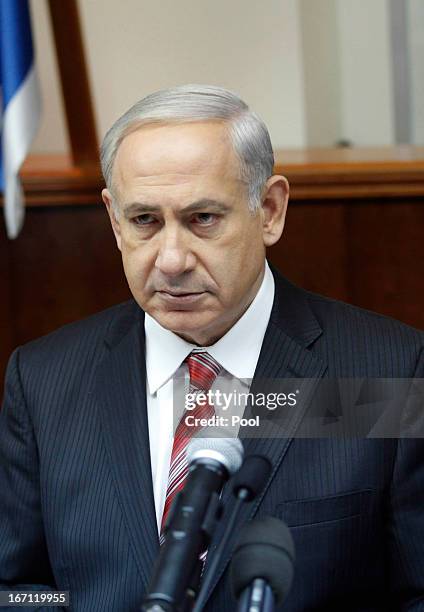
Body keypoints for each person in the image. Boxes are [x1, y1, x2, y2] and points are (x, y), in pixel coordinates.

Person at [0, 85, 423, 612]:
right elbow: (18, 589)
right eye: (144, 221)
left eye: (202, 219)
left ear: (269, 210)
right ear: (113, 219)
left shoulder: (390, 372)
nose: (172, 259)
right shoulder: (43, 380)